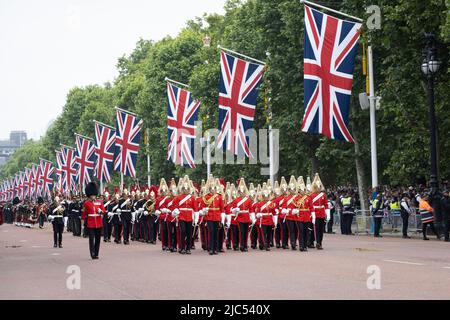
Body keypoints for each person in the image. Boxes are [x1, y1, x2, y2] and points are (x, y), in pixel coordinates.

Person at [172, 176, 197, 254]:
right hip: (181, 216)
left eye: (187, 189)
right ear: (182, 189)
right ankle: (182, 247)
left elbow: (195, 208)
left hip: (189, 216)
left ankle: (188, 248)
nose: (185, 190)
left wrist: (196, 217)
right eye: (184, 189)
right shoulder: (178, 197)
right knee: (183, 231)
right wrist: (176, 211)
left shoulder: (192, 198)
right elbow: (174, 206)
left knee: (189, 233)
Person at [81, 182, 106, 260]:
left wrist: (100, 211)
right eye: (92, 195)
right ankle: (92, 253)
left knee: (98, 239)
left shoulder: (100, 202)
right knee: (91, 239)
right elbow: (83, 215)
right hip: (91, 224)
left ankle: (96, 253)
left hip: (98, 223)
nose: (93, 196)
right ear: (89, 195)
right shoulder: (86, 203)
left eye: (94, 195)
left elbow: (104, 211)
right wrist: (82, 225)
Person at [202, 176, 225, 255]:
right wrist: (204, 210)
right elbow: (203, 207)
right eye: (211, 188)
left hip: (217, 216)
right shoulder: (206, 197)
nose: (213, 190)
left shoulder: (219, 197)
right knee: (211, 231)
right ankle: (211, 248)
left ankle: (215, 248)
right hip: (209, 216)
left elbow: (222, 209)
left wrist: (222, 218)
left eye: (214, 188)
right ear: (209, 189)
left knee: (216, 232)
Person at [230, 178, 253, 252]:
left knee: (246, 232)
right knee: (241, 231)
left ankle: (245, 245)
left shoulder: (248, 200)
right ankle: (242, 245)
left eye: (243, 192)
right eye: (240, 192)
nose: (242, 193)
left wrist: (253, 218)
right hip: (239, 217)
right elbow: (232, 210)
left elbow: (251, 210)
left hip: (246, 217)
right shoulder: (236, 200)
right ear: (239, 192)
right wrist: (236, 209)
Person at [310, 173, 329, 249]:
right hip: (315, 213)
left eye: (319, 186)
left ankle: (320, 242)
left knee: (321, 229)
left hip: (321, 213)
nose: (318, 188)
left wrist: (327, 214)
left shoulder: (323, 195)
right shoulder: (312, 195)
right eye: (317, 187)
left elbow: (326, 204)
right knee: (316, 229)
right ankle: (317, 242)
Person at [155, 179, 170, 251]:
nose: (164, 192)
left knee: (169, 231)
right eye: (162, 191)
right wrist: (157, 212)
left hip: (168, 216)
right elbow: (157, 208)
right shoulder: (158, 199)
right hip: (162, 216)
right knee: (163, 231)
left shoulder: (168, 198)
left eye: (165, 191)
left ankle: (169, 244)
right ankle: (164, 245)